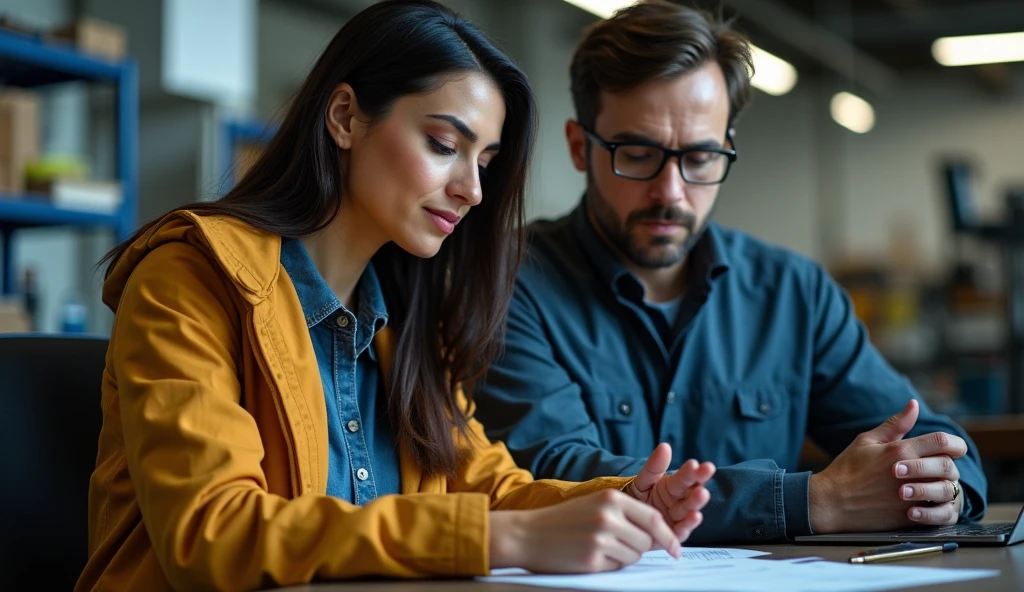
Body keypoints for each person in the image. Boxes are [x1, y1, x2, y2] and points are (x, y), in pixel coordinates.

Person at [74, 2, 718, 590]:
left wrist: (619, 504)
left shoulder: (408, 319)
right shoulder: (190, 277)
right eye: (444, 145)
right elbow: (212, 532)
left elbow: (488, 487)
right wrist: (503, 539)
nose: (473, 189)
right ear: (346, 117)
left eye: (486, 163)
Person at [474, 0, 986, 544]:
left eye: (700, 158)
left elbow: (943, 445)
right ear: (580, 147)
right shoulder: (506, 280)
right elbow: (551, 475)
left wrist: (933, 490)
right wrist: (815, 502)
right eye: (638, 153)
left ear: (727, 149)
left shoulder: (795, 294)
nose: (670, 191)